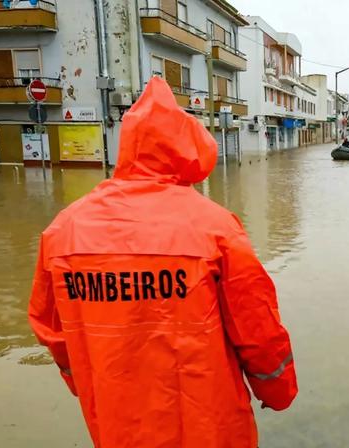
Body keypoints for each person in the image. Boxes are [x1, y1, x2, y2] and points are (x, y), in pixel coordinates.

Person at [28, 77, 297, 448]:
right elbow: (257, 328)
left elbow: (50, 328)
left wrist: (87, 380)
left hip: (116, 422)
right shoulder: (215, 227)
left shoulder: (64, 230)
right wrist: (277, 391)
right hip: (209, 426)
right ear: (185, 144)